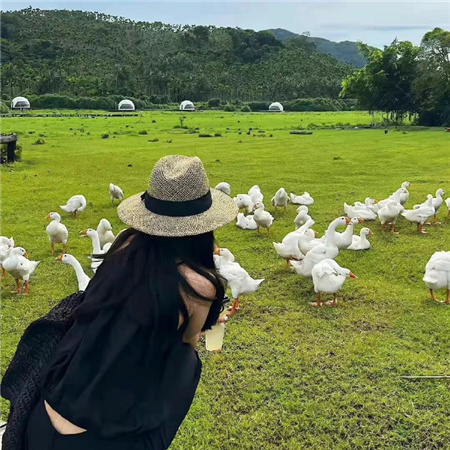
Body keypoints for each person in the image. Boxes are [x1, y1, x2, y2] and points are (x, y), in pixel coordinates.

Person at [25, 155, 238, 449]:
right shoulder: (199, 284)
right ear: (205, 224)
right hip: (98, 442)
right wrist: (200, 321)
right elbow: (189, 340)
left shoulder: (125, 244)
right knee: (186, 361)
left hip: (42, 417)